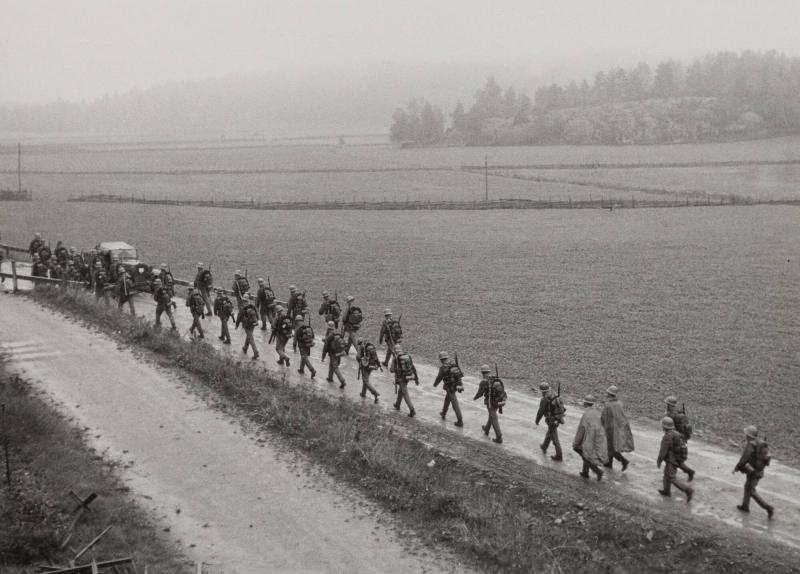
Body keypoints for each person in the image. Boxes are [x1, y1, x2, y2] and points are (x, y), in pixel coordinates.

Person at [733, 425, 774, 519]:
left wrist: (737, 467)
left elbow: (744, 458)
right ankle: (745, 506)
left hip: (754, 472)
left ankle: (768, 508)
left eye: (746, 434)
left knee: (751, 491)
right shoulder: (759, 443)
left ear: (748, 435)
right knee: (747, 486)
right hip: (758, 471)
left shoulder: (751, 445)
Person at [656, 417, 694, 502]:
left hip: (671, 461)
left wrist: (659, 460)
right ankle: (666, 491)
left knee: (671, 477)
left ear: (664, 427)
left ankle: (687, 490)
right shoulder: (676, 433)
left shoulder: (667, 436)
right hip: (676, 459)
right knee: (666, 475)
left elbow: (663, 450)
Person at [573, 394, 607, 481]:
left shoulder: (586, 414)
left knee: (584, 455)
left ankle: (598, 471)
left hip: (590, 438)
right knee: (586, 453)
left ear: (586, 403)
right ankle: (585, 472)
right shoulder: (598, 411)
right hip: (599, 437)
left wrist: (576, 443)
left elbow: (581, 430)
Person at [601, 385, 634, 471]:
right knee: (612, 447)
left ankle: (622, 461)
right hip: (618, 429)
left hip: (610, 430)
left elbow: (604, 418)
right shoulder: (619, 404)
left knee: (609, 448)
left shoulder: (607, 405)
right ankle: (609, 464)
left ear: (609, 394)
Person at [664, 395, 695, 481]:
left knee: (674, 460)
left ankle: (688, 472)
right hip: (680, 438)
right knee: (675, 459)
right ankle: (673, 475)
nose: (666, 405)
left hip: (676, 440)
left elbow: (670, 429)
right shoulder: (677, 412)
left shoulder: (671, 414)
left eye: (667, 404)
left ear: (670, 405)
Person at [473, 364, 505, 443]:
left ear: (482, 373)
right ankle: (487, 428)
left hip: (491, 402)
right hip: (498, 400)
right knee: (491, 415)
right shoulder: (495, 379)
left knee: (493, 417)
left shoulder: (484, 381)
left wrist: (474, 398)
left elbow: (480, 393)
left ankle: (499, 436)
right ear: (489, 371)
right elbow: (503, 389)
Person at [432, 351, 464, 427]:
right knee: (447, 399)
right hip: (457, 385)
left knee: (454, 404)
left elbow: (439, 378)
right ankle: (444, 412)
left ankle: (460, 420)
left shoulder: (443, 368)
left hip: (450, 387)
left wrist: (435, 384)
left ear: (441, 359)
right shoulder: (454, 364)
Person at [536, 382, 565, 461]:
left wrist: (537, 420)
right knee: (550, 432)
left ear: (542, 391)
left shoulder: (544, 399)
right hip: (558, 418)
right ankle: (544, 446)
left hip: (552, 420)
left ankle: (559, 455)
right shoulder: (555, 394)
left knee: (554, 438)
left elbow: (540, 412)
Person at [392, 344, 418, 417]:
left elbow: (391, 370)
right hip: (408, 376)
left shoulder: (396, 358)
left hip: (401, 378)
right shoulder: (407, 355)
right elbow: (412, 367)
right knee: (401, 391)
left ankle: (412, 410)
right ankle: (397, 404)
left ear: (395, 350)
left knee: (405, 393)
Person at [321, 321, 346, 388]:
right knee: (332, 365)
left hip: (333, 353)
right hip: (339, 352)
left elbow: (325, 347)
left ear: (328, 326)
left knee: (335, 367)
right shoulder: (337, 332)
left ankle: (342, 380)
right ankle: (330, 378)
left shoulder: (330, 335)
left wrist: (323, 356)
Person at [355, 337, 380, 402]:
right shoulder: (370, 346)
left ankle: (375, 393)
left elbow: (358, 357)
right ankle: (363, 393)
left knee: (365, 381)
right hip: (372, 365)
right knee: (366, 379)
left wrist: (360, 362)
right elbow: (376, 357)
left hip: (365, 366)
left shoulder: (361, 347)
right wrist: (377, 365)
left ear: (359, 343)